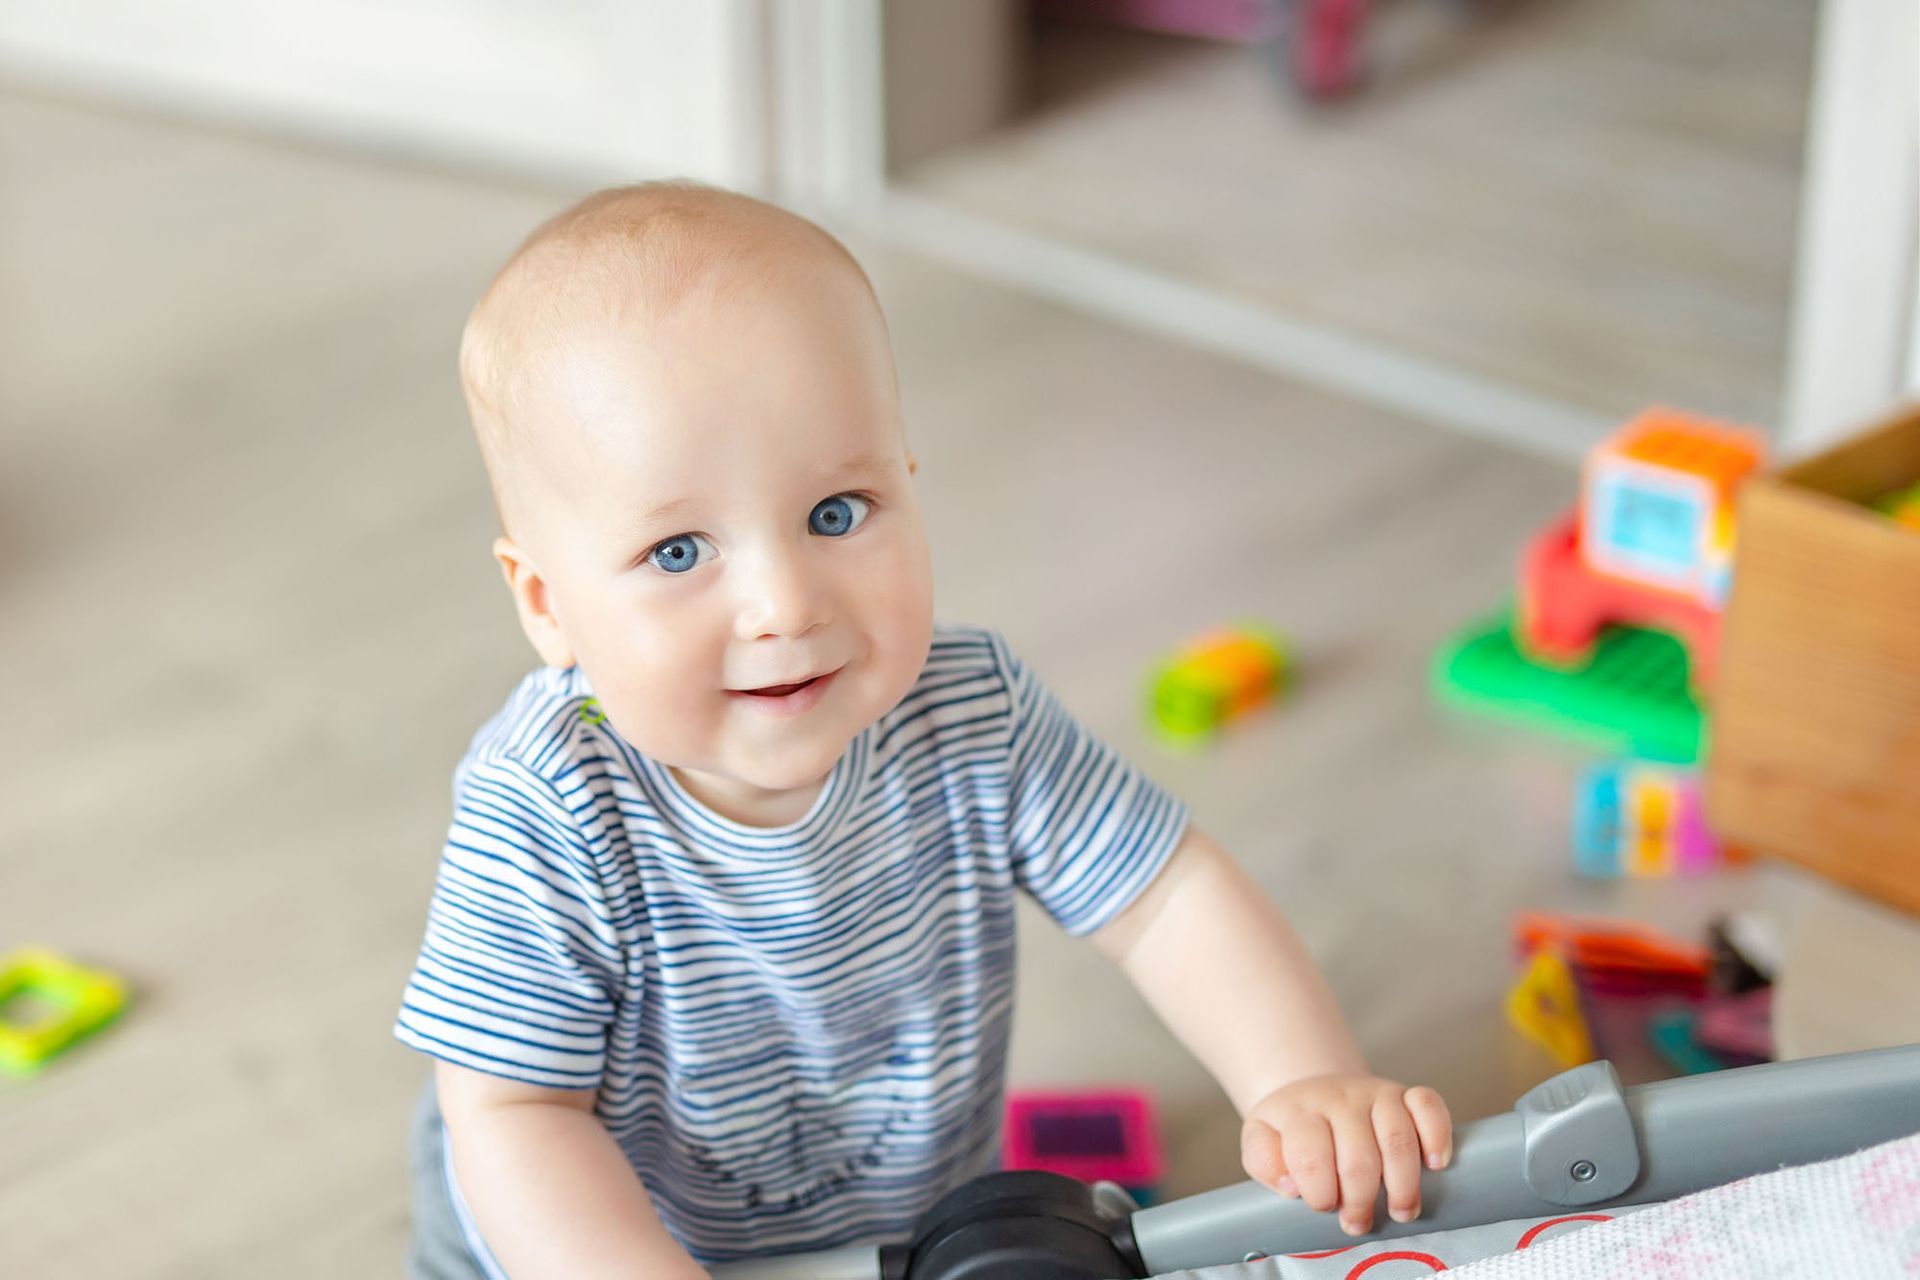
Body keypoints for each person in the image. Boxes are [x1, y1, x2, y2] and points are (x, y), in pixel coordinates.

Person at [394, 183, 1453, 1280]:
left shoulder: (968, 708)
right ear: (546, 603)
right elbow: (516, 1112)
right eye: (678, 551)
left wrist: (1303, 1079)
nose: (785, 604)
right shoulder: (546, 807)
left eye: (836, 513)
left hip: (897, 1226)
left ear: (908, 482)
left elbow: (1165, 894)